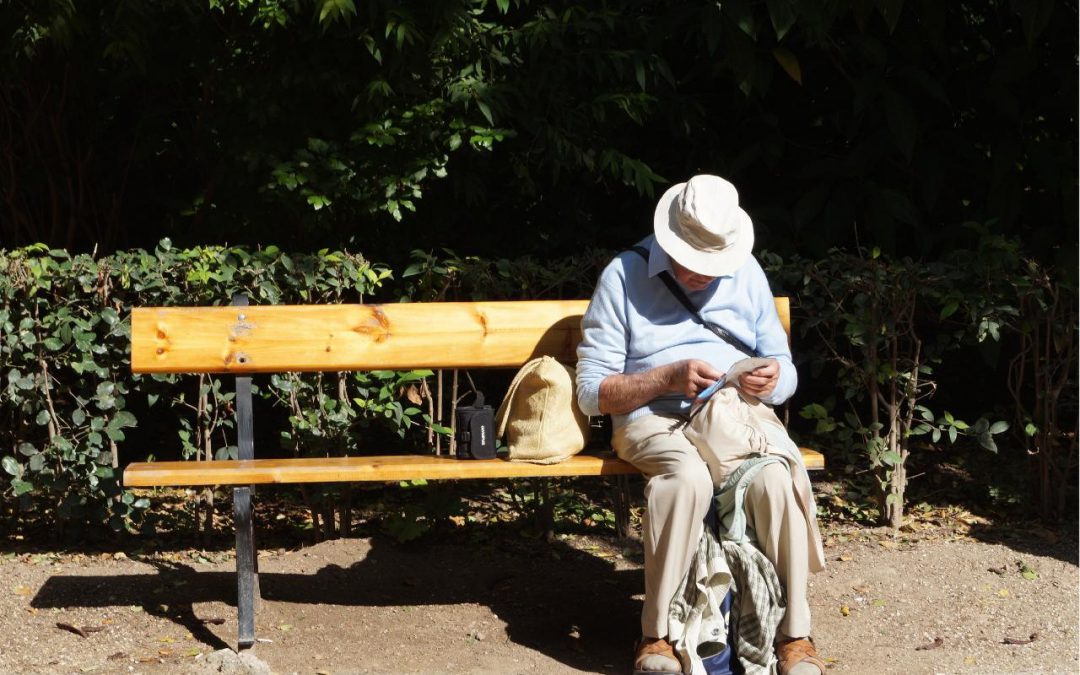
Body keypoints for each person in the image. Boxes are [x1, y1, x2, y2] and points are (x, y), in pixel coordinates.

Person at [575, 175, 826, 675]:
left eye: (715, 264)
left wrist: (771, 381)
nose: (705, 275)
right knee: (685, 477)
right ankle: (657, 637)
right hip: (654, 420)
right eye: (694, 262)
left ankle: (794, 637)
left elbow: (785, 368)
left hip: (733, 416)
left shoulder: (747, 272)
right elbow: (591, 394)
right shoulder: (623, 277)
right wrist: (666, 377)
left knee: (776, 477)